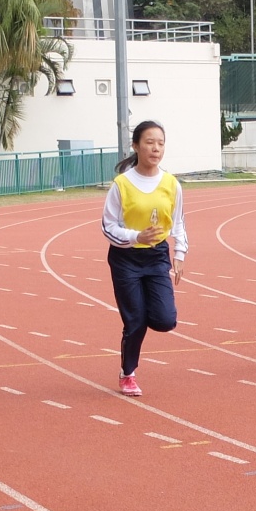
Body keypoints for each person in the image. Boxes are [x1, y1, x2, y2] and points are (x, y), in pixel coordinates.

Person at [102, 121, 186, 397]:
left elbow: (178, 222)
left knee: (165, 320)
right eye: (149, 142)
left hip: (157, 256)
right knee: (135, 321)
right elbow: (108, 226)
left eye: (160, 143)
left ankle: (142, 311)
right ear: (136, 146)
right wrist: (136, 236)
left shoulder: (171, 184)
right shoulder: (122, 184)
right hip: (125, 258)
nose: (156, 148)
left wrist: (180, 253)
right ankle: (128, 373)